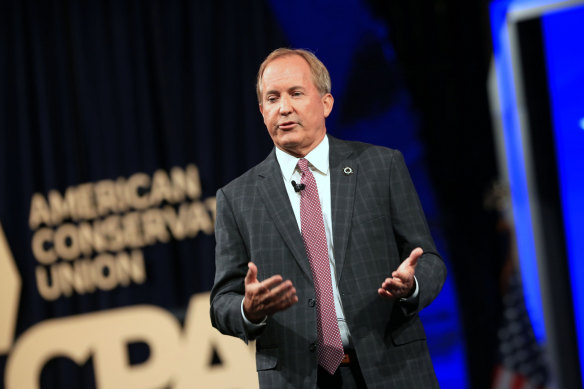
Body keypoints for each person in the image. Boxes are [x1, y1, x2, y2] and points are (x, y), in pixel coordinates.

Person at [210, 48, 447, 388]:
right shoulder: (236, 198)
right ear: (262, 112)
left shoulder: (381, 167)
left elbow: (431, 261)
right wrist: (249, 308)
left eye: (296, 93)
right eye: (272, 98)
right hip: (299, 378)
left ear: (326, 103)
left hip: (392, 369)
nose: (284, 108)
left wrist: (412, 286)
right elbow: (222, 304)